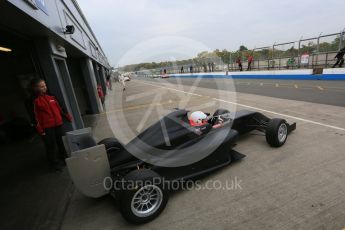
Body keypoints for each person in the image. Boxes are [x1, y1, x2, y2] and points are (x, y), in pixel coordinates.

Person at [31, 79, 72, 171]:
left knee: (61, 142)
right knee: (51, 146)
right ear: (36, 88)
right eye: (42, 86)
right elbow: (34, 117)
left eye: (45, 85)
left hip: (58, 124)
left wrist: (67, 116)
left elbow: (61, 107)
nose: (45, 87)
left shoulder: (52, 96)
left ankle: (64, 158)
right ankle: (54, 165)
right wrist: (40, 130)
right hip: (46, 128)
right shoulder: (34, 100)